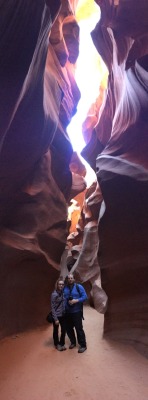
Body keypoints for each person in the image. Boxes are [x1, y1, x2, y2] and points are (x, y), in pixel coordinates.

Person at [63, 273, 88, 353]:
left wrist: (76, 300)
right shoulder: (65, 288)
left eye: (71, 278)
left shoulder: (79, 287)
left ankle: (83, 345)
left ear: (74, 279)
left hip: (76, 312)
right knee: (69, 328)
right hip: (67, 312)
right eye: (69, 278)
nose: (70, 279)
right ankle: (73, 342)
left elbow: (85, 297)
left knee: (79, 329)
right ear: (67, 279)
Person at [51, 278, 66, 351]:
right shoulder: (54, 294)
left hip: (63, 315)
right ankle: (57, 344)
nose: (61, 285)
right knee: (56, 330)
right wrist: (55, 319)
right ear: (57, 285)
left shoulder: (63, 293)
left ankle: (62, 343)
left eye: (62, 284)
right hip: (57, 316)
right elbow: (53, 308)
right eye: (60, 284)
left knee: (64, 330)